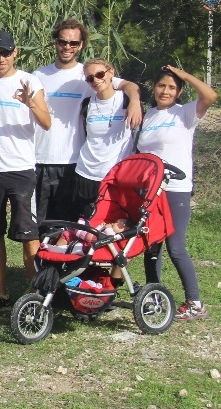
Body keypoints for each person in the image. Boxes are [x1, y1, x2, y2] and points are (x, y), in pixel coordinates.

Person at [33, 19, 142, 224]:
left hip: (73, 162)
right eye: (62, 41)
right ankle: (44, 258)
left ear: (81, 45)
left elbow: (127, 85)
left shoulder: (90, 74)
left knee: (69, 225)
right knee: (39, 225)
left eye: (73, 43)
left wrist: (135, 101)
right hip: (40, 160)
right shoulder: (38, 75)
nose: (67, 47)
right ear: (55, 42)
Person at [0, 31, 50, 305]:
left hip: (21, 170)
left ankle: (38, 292)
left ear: (15, 52)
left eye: (5, 53)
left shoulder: (30, 81)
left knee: (29, 235)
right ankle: (0, 291)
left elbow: (46, 122)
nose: (1, 58)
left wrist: (30, 103)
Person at [138, 65, 217, 321]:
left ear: (179, 91)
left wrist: (183, 74)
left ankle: (195, 303)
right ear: (154, 87)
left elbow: (210, 96)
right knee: (151, 247)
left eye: (172, 87)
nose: (166, 91)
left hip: (175, 191)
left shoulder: (184, 113)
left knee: (176, 247)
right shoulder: (148, 115)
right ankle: (154, 298)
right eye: (161, 85)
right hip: (151, 192)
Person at [71, 58, 137, 213]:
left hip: (116, 175)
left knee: (112, 225)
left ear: (111, 72)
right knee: (85, 225)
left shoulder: (127, 100)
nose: (96, 80)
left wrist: (135, 101)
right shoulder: (87, 104)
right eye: (90, 78)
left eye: (100, 74)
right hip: (86, 172)